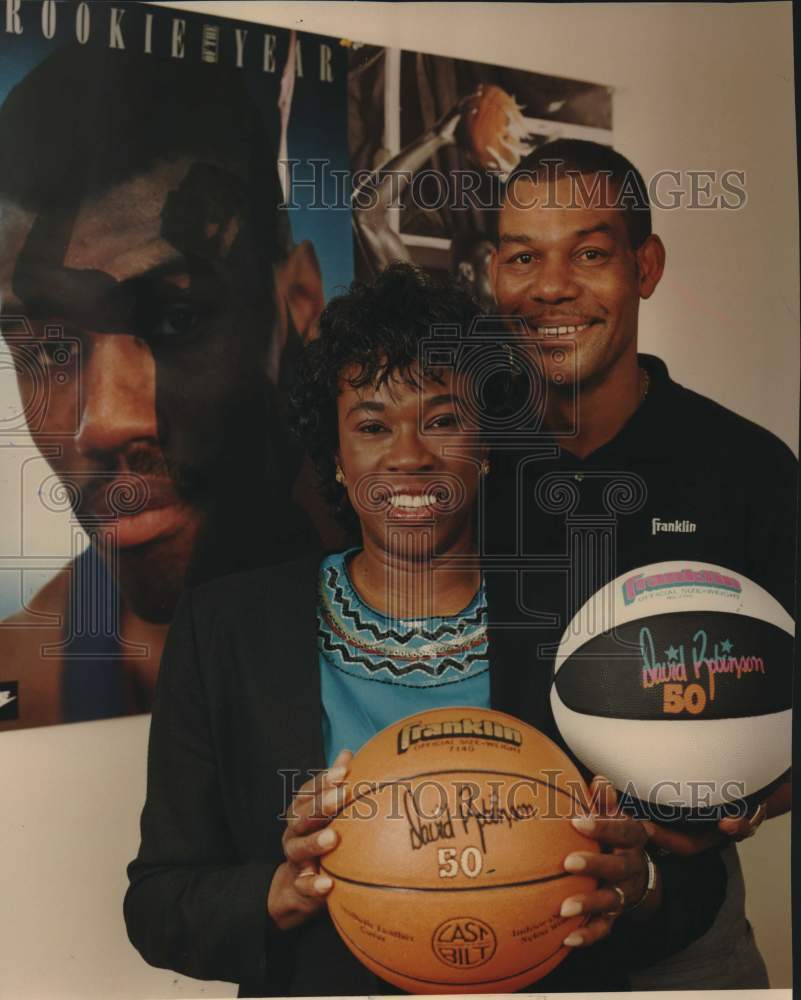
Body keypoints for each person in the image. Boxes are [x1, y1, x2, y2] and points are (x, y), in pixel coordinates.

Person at [125, 263, 725, 996]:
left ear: (485, 447)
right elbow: (158, 902)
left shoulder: (589, 620)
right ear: (336, 461)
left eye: (442, 420)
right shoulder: (225, 629)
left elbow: (694, 880)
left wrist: (640, 881)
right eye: (372, 425)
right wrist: (276, 891)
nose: (408, 456)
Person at [486, 138, 796, 988]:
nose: (551, 286)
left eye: (589, 252)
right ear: (491, 273)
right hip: (478, 922)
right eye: (523, 257)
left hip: (682, 942)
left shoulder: (745, 468)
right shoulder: (458, 459)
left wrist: (749, 798)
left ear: (644, 266)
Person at [0, 44, 326, 728]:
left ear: (298, 302)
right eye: (50, 350)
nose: (103, 423)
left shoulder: (447, 611)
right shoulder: (24, 679)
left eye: (176, 320)